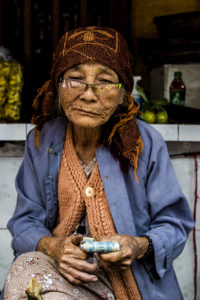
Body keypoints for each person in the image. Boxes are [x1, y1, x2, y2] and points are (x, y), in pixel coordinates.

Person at [3, 26, 193, 300]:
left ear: (122, 93)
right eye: (75, 79)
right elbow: (25, 222)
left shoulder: (145, 143)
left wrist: (136, 245)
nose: (89, 94)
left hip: (129, 285)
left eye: (104, 82)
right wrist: (55, 248)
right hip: (63, 276)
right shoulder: (42, 141)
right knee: (24, 270)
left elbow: (174, 224)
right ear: (57, 85)